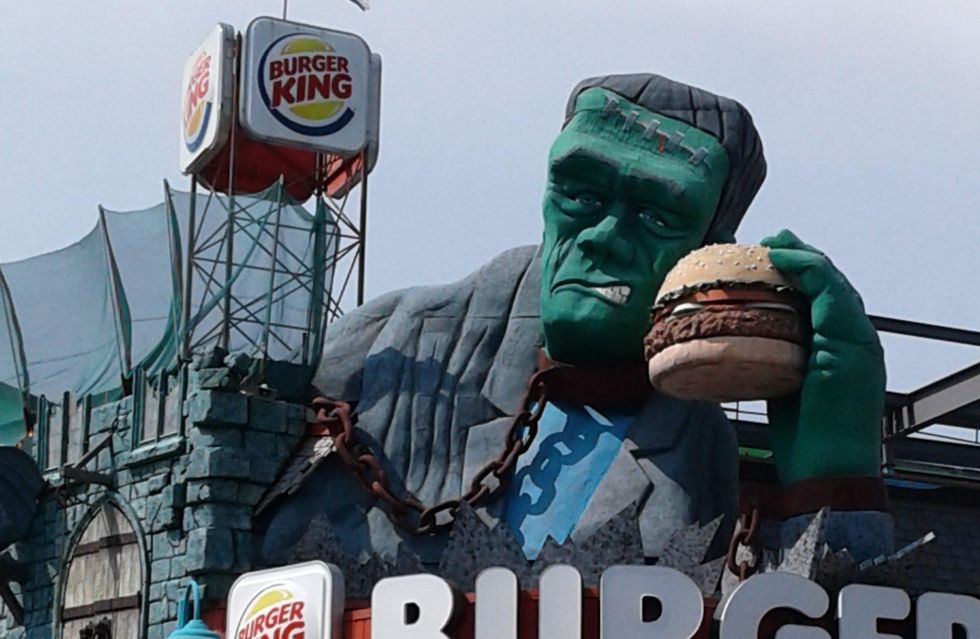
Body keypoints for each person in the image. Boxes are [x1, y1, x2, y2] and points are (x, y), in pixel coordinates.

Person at [262, 73, 889, 582]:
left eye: (655, 213)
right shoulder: (385, 352)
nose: (605, 237)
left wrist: (834, 481)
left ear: (708, 249)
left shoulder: (697, 450)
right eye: (582, 194)